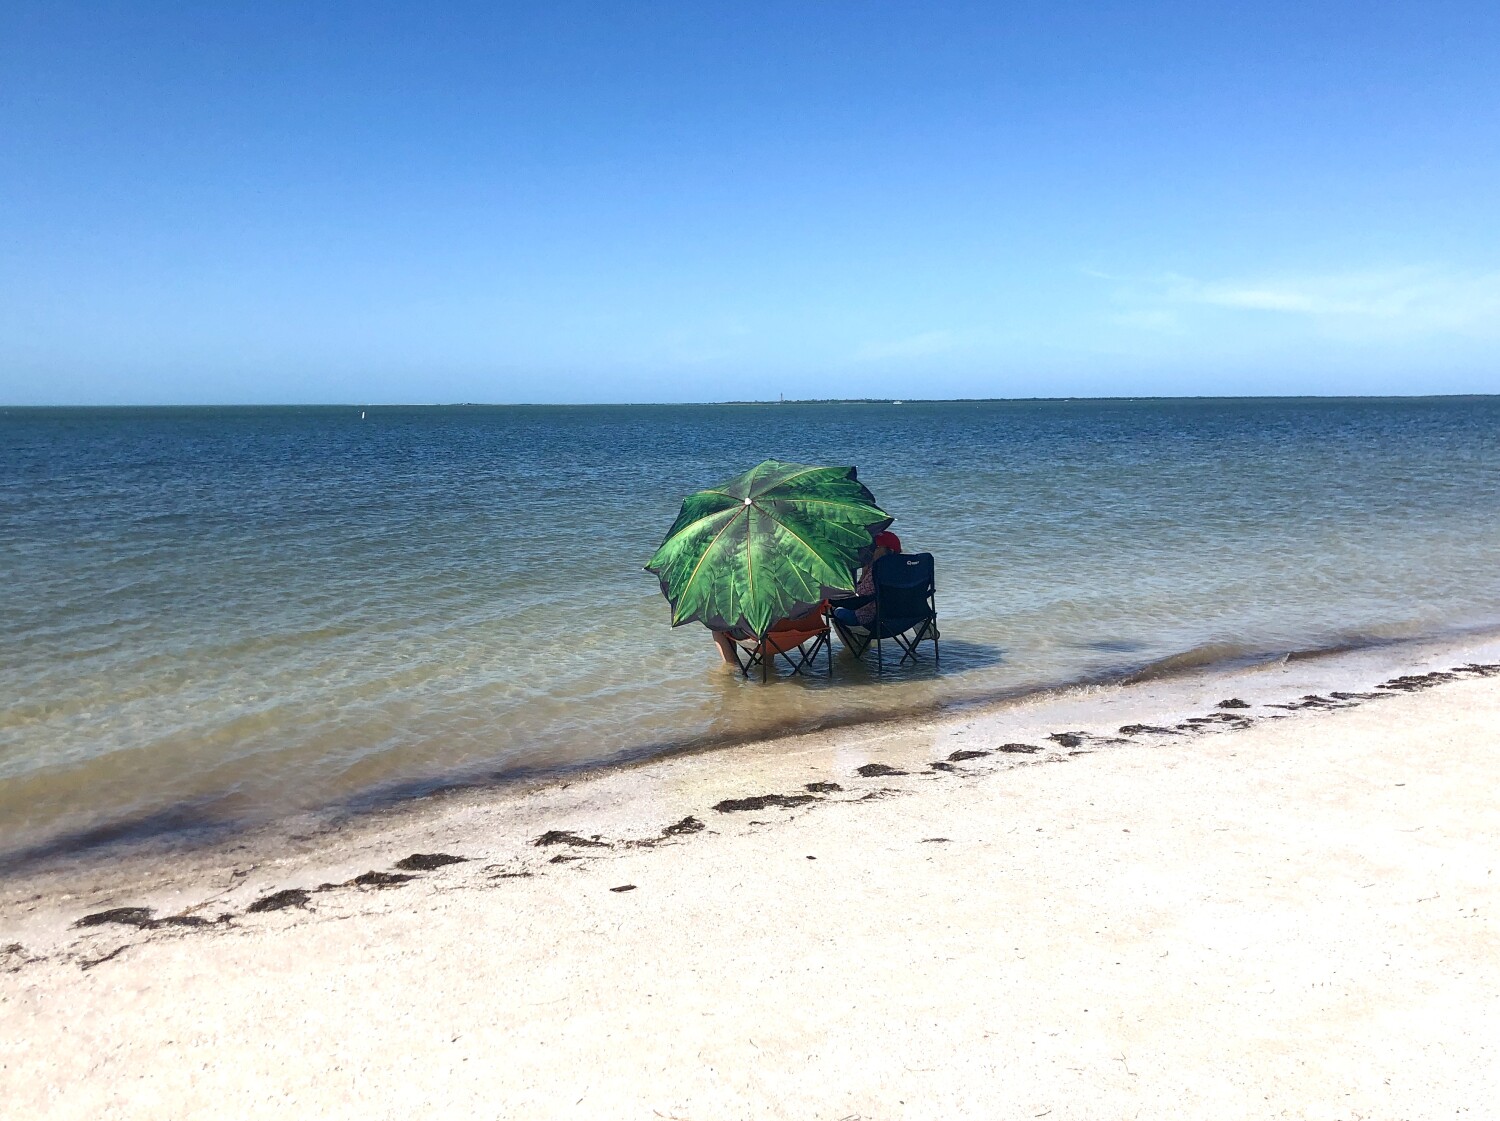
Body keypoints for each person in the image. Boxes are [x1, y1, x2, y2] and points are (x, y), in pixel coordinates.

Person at [833, 530, 901, 628]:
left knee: (836, 610)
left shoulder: (876, 570)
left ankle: (856, 639)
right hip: (900, 618)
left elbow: (859, 598)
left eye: (875, 547)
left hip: (870, 619)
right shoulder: (905, 569)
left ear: (888, 550)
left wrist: (864, 574)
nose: (870, 550)